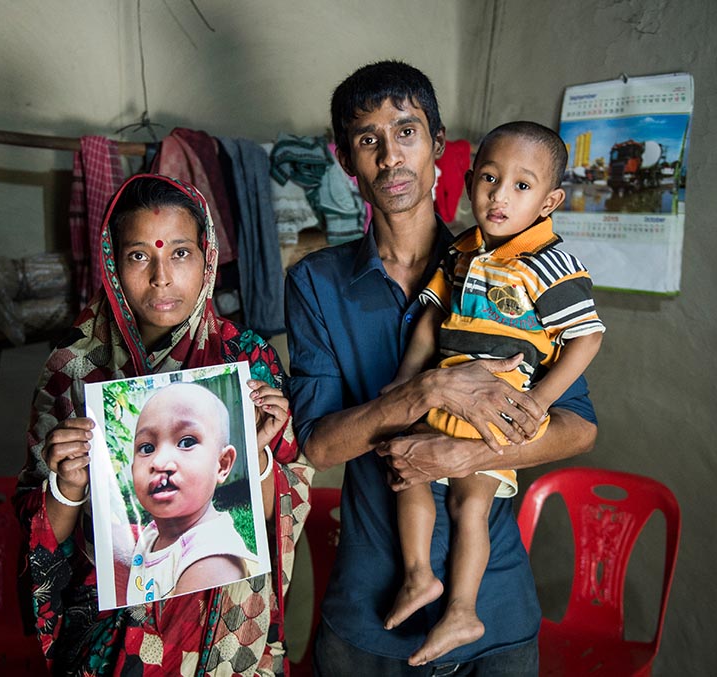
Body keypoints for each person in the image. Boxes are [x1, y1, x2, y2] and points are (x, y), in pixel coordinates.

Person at [285, 60, 598, 675]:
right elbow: (318, 446)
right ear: (347, 162)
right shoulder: (315, 283)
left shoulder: (507, 267)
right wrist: (428, 388)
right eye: (367, 140)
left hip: (498, 610)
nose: (390, 156)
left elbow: (579, 426)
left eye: (406, 132)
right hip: (369, 616)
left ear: (437, 145)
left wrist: (471, 454)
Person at [14, 174, 312, 677]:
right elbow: (37, 527)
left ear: (207, 256)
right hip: (113, 646)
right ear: (111, 262)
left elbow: (273, 517)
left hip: (227, 638)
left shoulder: (247, 361)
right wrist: (66, 487)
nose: (161, 277)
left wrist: (259, 453)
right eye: (138, 256)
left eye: (179, 253)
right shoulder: (74, 369)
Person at [381, 121, 606, 664]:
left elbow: (587, 336)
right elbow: (432, 320)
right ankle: (418, 578)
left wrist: (540, 401)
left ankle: (462, 610)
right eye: (488, 178)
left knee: (470, 507)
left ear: (550, 200)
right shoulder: (461, 250)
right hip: (440, 400)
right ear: (467, 181)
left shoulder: (551, 263)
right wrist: (406, 376)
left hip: (497, 411)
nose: (499, 196)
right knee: (406, 472)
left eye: (521, 186)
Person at [121, 382, 260, 605]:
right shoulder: (154, 533)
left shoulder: (212, 558)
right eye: (147, 448)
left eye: (186, 442)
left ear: (222, 464)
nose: (159, 462)